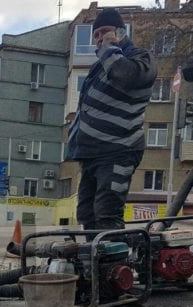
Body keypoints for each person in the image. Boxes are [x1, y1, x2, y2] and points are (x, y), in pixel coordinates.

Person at [66, 8, 157, 231]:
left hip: (118, 149)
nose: (99, 39)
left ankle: (113, 254)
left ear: (120, 32)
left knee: (107, 212)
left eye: (105, 32)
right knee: (87, 213)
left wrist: (109, 48)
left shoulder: (138, 57)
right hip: (92, 153)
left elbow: (126, 75)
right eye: (96, 35)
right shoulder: (100, 66)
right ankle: (95, 253)